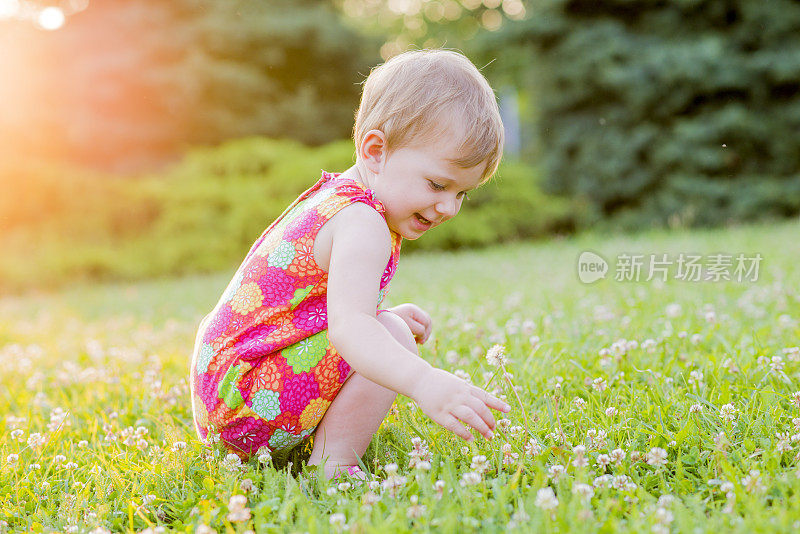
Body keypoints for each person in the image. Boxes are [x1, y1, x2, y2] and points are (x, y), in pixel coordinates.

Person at [189, 49, 510, 481]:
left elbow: (309, 310)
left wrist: (382, 315)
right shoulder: (363, 223)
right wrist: (424, 381)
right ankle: (334, 465)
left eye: (462, 194)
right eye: (438, 184)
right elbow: (349, 328)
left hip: (227, 392)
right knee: (388, 336)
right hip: (248, 401)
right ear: (375, 151)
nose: (449, 207)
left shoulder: (341, 199)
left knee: (383, 325)